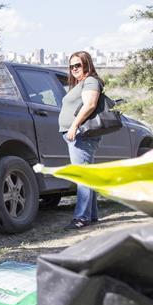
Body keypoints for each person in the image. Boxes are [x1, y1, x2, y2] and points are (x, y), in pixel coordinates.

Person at [59, 50, 103, 230]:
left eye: (78, 65)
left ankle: (81, 218)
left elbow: (90, 104)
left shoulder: (90, 81)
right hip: (77, 135)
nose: (74, 69)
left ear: (87, 64)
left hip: (81, 135)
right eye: (71, 66)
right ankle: (91, 215)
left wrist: (74, 125)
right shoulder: (80, 84)